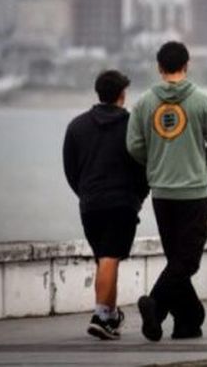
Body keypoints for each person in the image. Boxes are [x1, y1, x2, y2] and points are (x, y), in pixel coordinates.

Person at [128, 41, 207, 342]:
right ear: (187, 64)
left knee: (176, 259)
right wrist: (202, 169)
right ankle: (154, 306)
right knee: (188, 260)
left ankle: (189, 321)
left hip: (162, 194)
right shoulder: (205, 102)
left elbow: (133, 145)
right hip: (193, 192)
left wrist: (156, 166)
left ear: (159, 67)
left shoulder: (144, 103)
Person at [63, 69, 149, 340]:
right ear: (122, 95)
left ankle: (110, 318)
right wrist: (138, 196)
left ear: (98, 93)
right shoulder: (133, 125)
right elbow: (144, 165)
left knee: (105, 259)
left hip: (90, 204)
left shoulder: (76, 126)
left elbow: (70, 169)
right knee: (111, 257)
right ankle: (100, 314)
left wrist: (85, 193)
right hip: (122, 202)